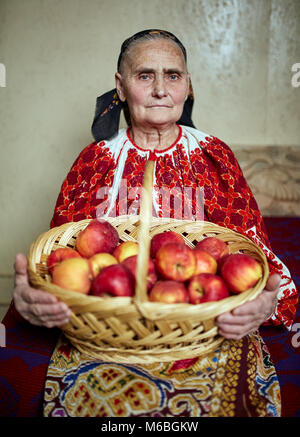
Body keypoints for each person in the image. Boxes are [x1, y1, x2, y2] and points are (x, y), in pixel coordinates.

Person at [1, 29, 298, 417]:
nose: (161, 89)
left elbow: (252, 251)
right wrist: (32, 299)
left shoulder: (214, 156)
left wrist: (264, 300)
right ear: (120, 88)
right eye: (145, 76)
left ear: (188, 86)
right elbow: (62, 256)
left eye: (173, 75)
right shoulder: (95, 161)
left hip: (201, 319)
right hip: (112, 325)